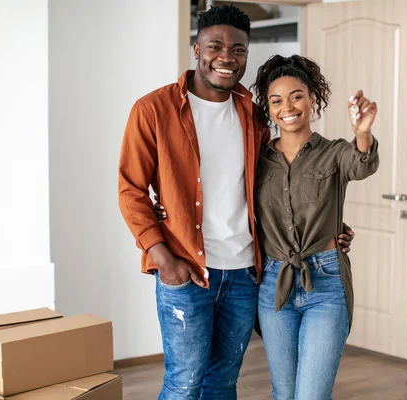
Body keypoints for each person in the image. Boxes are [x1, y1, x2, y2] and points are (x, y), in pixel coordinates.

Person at [118, 5, 353, 400]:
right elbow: (131, 190)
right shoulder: (153, 110)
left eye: (239, 49)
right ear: (197, 49)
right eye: (216, 46)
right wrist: (162, 256)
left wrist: (326, 228)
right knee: (184, 381)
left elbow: (282, 185)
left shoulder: (254, 115)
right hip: (186, 270)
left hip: (246, 273)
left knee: (224, 382)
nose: (227, 57)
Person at [156, 54, 378, 400]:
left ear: (312, 99)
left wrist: (362, 134)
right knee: (284, 393)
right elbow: (229, 200)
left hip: (326, 282)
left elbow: (361, 164)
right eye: (276, 100)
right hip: (273, 282)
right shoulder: (256, 158)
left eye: (296, 96)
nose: (287, 106)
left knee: (310, 396)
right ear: (269, 109)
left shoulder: (333, 153)